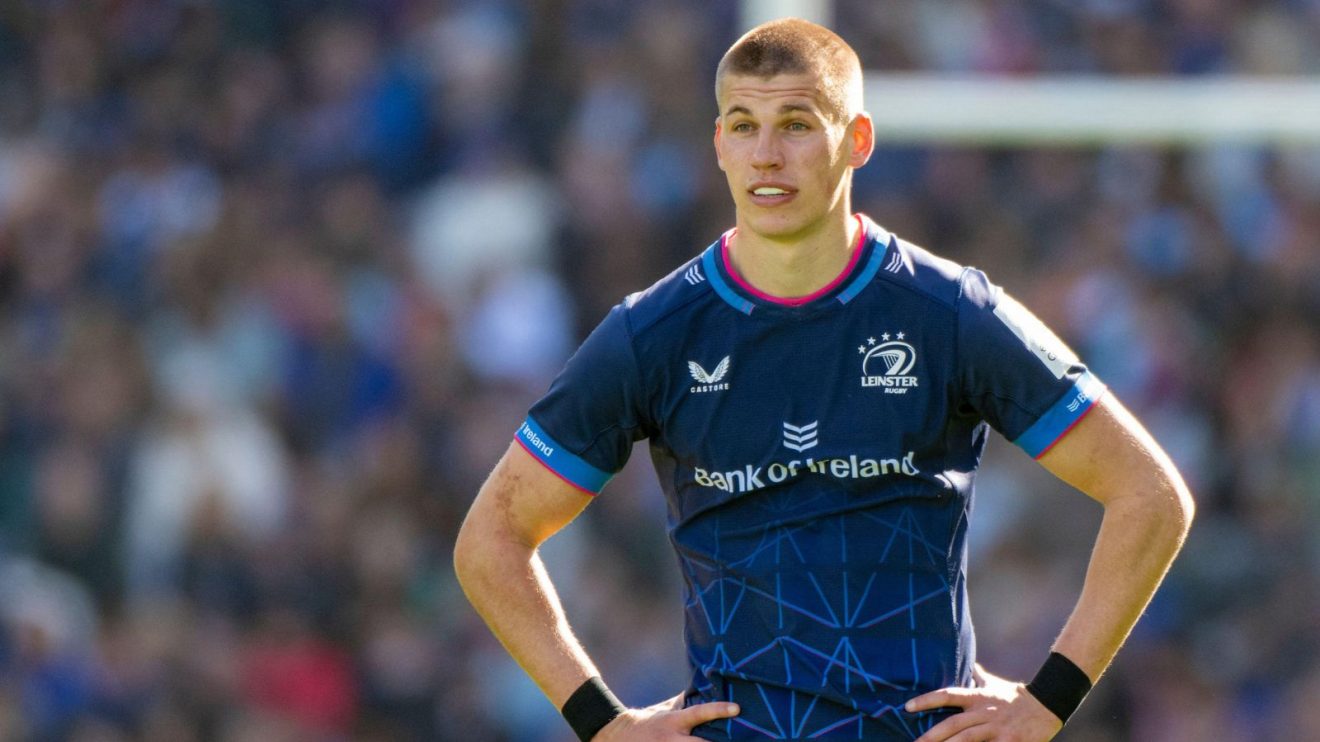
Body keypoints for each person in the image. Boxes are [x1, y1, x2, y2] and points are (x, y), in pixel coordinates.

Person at [453, 17, 1194, 742]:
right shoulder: (653, 334)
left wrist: (1047, 702)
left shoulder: (948, 314)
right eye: (743, 126)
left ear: (857, 140)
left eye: (798, 125)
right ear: (718, 145)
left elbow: (1151, 495)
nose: (766, 154)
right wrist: (604, 724)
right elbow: (492, 540)